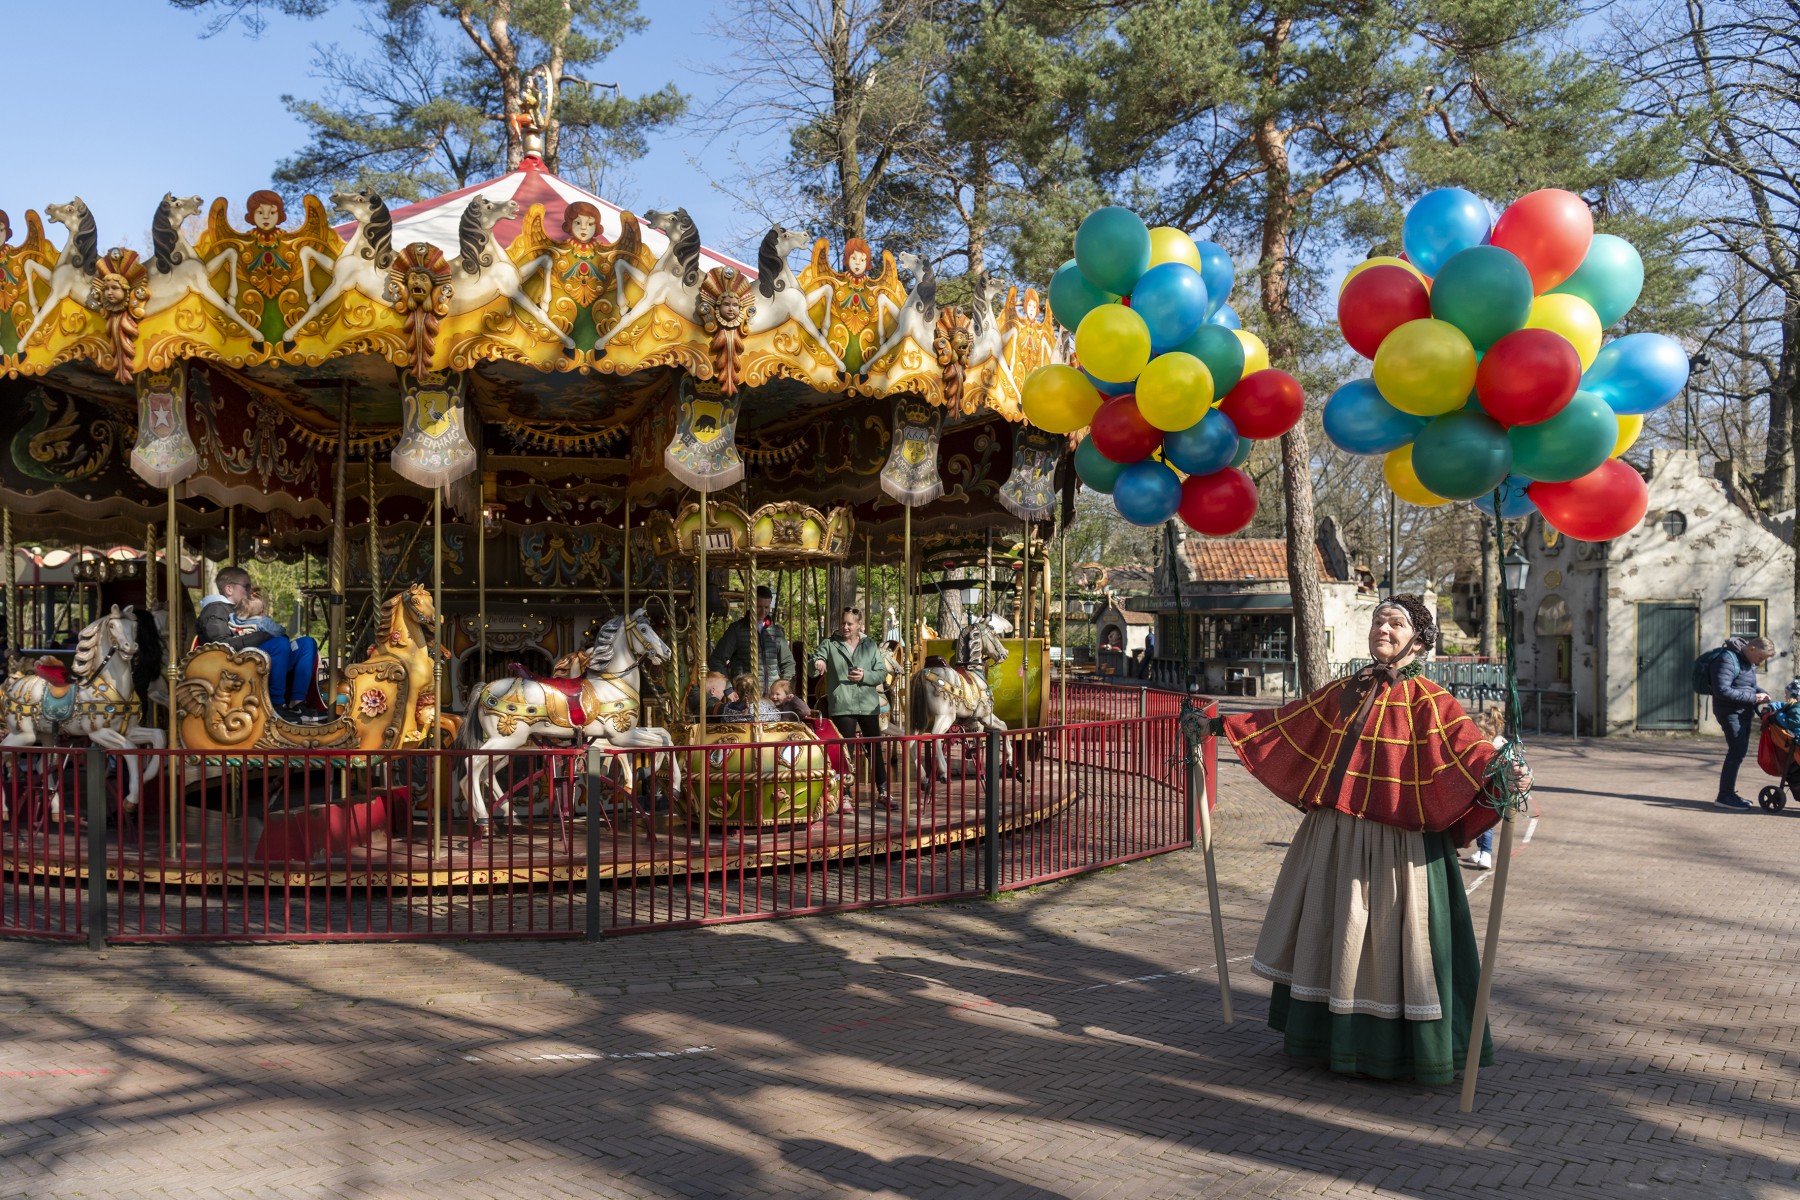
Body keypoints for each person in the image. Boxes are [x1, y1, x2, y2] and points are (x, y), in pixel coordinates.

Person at [1221, 595, 1532, 1085]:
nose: (1383, 630)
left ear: (1420, 639)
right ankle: (1326, 1036)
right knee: (1332, 928)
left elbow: (1470, 752)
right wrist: (1218, 724)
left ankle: (1400, 1046)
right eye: (1377, 621)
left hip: (1400, 849)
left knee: (1396, 941)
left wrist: (1505, 771)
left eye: (1396, 623)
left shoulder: (1434, 700)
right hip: (1335, 840)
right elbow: (1285, 724)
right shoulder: (1346, 691)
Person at [196, 566, 327, 724]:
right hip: (236, 667)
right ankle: (276, 705)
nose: (250, 591)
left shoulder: (244, 607)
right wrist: (265, 635)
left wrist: (269, 630)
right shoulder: (215, 610)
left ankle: (297, 703)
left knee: (306, 643)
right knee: (279, 644)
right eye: (246, 586)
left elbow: (275, 633)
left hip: (257, 661)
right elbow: (221, 645)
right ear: (229, 589)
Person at [814, 607, 890, 802]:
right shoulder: (830, 644)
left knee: (874, 749)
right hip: (843, 703)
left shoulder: (870, 645)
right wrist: (819, 663)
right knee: (845, 752)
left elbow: (881, 672)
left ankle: (883, 791)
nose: (845, 627)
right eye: (844, 623)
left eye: (850, 624)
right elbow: (815, 662)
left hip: (867, 704)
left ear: (859, 626)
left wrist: (865, 676)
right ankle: (845, 794)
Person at [1710, 634, 1776, 809]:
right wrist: (1754, 698)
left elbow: (1749, 686)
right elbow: (1722, 690)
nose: (1760, 662)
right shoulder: (1727, 659)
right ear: (1752, 648)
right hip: (1730, 712)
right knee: (1736, 752)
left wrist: (1762, 694)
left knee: (1738, 752)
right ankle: (1724, 796)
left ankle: (1728, 793)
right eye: (1760, 657)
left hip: (1742, 711)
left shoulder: (1748, 661)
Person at [709, 584, 794, 696]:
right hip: (746, 695)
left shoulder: (776, 632)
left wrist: (783, 688)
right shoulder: (736, 630)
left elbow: (788, 663)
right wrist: (728, 688)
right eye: (759, 607)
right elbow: (717, 659)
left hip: (772, 697)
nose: (763, 611)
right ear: (751, 604)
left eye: (766, 607)